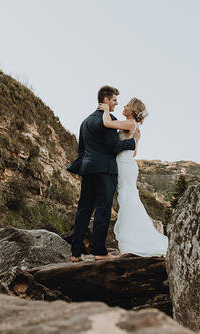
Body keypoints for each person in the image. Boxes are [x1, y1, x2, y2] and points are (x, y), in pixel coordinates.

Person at [67, 85, 136, 261]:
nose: (116, 104)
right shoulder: (108, 120)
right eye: (114, 100)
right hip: (105, 170)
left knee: (83, 209)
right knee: (103, 209)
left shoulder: (85, 121)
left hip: (88, 169)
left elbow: (81, 150)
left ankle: (75, 253)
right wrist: (131, 144)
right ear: (105, 100)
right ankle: (99, 251)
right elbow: (113, 146)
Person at [99, 97, 169, 257]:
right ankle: (140, 236)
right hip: (129, 165)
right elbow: (134, 152)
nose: (123, 107)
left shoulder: (130, 123)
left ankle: (134, 240)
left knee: (126, 199)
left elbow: (107, 123)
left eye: (127, 105)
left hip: (124, 165)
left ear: (133, 111)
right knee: (129, 199)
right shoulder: (136, 129)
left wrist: (105, 110)